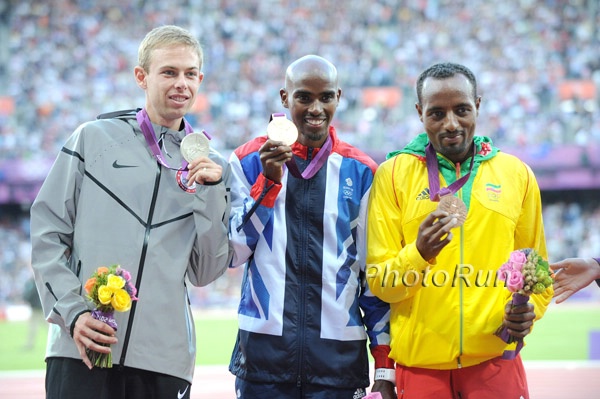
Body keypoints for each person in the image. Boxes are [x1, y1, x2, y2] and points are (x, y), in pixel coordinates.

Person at [30, 25, 232, 399]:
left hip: (164, 361)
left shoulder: (212, 166)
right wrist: (74, 314)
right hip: (83, 347)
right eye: (169, 72)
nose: (181, 84)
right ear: (142, 76)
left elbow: (206, 271)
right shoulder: (93, 139)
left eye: (190, 74)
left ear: (201, 80)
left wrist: (211, 193)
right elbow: (47, 234)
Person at [366, 62, 552, 399]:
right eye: (437, 113)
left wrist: (529, 311)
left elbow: (536, 271)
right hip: (421, 368)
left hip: (496, 362)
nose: (451, 124)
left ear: (477, 105)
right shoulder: (392, 175)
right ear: (420, 113)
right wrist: (418, 255)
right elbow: (381, 283)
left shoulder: (517, 175)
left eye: (462, 110)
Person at [228, 55, 394, 399]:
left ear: (339, 97)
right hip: (263, 361)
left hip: (337, 363)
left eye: (326, 97)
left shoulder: (362, 172)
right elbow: (234, 251)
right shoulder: (247, 160)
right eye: (304, 97)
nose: (315, 108)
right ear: (285, 98)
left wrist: (384, 367)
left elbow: (372, 276)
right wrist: (268, 185)